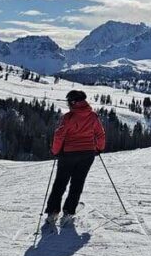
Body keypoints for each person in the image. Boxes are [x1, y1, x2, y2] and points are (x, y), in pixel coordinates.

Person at [45, 91, 106, 227]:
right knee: (77, 183)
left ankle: (53, 212)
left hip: (68, 155)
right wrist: (99, 149)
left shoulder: (68, 117)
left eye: (68, 101)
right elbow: (100, 134)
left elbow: (59, 135)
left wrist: (56, 151)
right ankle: (69, 211)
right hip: (87, 154)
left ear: (73, 102)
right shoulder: (93, 116)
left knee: (60, 183)